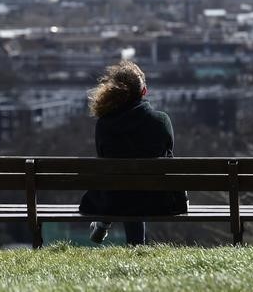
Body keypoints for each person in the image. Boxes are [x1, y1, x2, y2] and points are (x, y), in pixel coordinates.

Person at [79, 60, 188, 245]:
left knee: (123, 187)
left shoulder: (104, 124)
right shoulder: (161, 121)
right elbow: (168, 156)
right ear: (144, 91)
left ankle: (103, 223)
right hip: (158, 201)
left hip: (113, 200)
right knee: (137, 188)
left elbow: (103, 159)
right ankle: (135, 245)